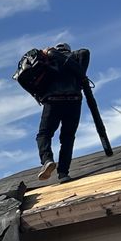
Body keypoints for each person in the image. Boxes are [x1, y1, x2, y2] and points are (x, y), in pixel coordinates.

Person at [34, 43, 89, 183]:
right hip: (74, 101)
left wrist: (47, 52)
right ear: (68, 50)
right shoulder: (76, 59)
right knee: (68, 138)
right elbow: (85, 51)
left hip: (53, 101)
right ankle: (63, 173)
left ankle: (47, 160)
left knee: (44, 134)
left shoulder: (48, 59)